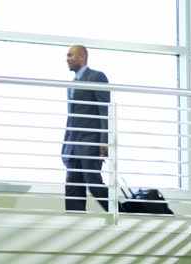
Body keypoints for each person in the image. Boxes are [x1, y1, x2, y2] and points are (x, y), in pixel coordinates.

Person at [61, 45, 113, 212]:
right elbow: (72, 117)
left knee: (94, 184)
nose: (67, 59)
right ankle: (74, 224)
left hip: (90, 142)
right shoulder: (71, 84)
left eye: (70, 55)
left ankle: (122, 213)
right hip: (73, 145)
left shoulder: (97, 77)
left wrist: (105, 141)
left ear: (82, 57)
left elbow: (104, 110)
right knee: (72, 187)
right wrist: (66, 145)